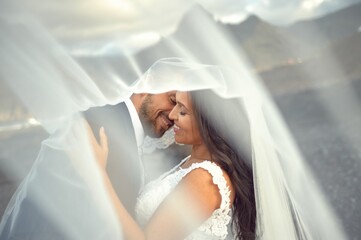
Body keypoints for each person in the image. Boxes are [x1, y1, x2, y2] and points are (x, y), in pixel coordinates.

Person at [90, 89, 256, 240]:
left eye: (182, 111)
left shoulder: (206, 180)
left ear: (208, 122)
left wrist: (100, 176)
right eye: (174, 104)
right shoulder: (192, 164)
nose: (173, 115)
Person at [84, 91, 177, 217]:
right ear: (147, 86)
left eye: (181, 109)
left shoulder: (129, 133)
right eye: (172, 101)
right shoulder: (101, 125)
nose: (174, 116)